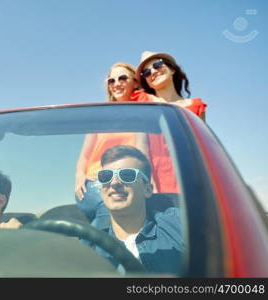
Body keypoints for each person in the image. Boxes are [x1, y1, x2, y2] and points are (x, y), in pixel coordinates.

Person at [75, 63, 149, 228]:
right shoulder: (99, 115)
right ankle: (89, 253)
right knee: (109, 208)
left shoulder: (141, 113)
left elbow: (141, 153)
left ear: (136, 82)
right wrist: (79, 176)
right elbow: (85, 155)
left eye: (122, 78)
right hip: (95, 181)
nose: (116, 84)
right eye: (111, 80)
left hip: (125, 180)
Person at [93, 145, 184, 274]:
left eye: (127, 175)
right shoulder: (88, 245)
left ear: (147, 189)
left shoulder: (178, 224)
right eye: (106, 176)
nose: (114, 183)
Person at [135, 51, 208, 193]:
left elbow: (202, 149)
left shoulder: (196, 106)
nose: (153, 72)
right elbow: (141, 145)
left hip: (191, 179)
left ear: (173, 69)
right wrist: (146, 179)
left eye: (157, 65)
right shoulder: (143, 101)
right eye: (146, 72)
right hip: (156, 183)